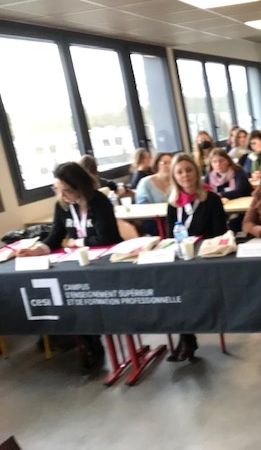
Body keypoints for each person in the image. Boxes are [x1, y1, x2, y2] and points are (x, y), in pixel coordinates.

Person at [16, 162, 122, 371]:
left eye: (67, 191)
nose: (63, 196)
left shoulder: (99, 202)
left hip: (105, 262)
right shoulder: (62, 206)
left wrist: (76, 242)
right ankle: (90, 344)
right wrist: (39, 249)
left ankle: (96, 340)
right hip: (77, 263)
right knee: (72, 297)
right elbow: (56, 236)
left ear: (80, 187)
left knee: (89, 298)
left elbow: (106, 238)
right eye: (58, 190)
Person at [166, 153, 227, 362]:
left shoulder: (211, 199)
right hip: (182, 261)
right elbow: (170, 237)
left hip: (206, 260)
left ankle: (186, 339)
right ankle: (186, 337)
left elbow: (220, 235)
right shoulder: (173, 204)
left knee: (184, 288)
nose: (185, 175)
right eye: (179, 172)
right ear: (174, 176)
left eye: (189, 170)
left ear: (196, 172)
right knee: (171, 288)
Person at [136, 152, 173, 235]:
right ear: (157, 165)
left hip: (174, 219)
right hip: (153, 221)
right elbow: (141, 207)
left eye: (171, 163)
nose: (168, 166)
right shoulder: (145, 182)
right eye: (164, 163)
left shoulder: (178, 181)